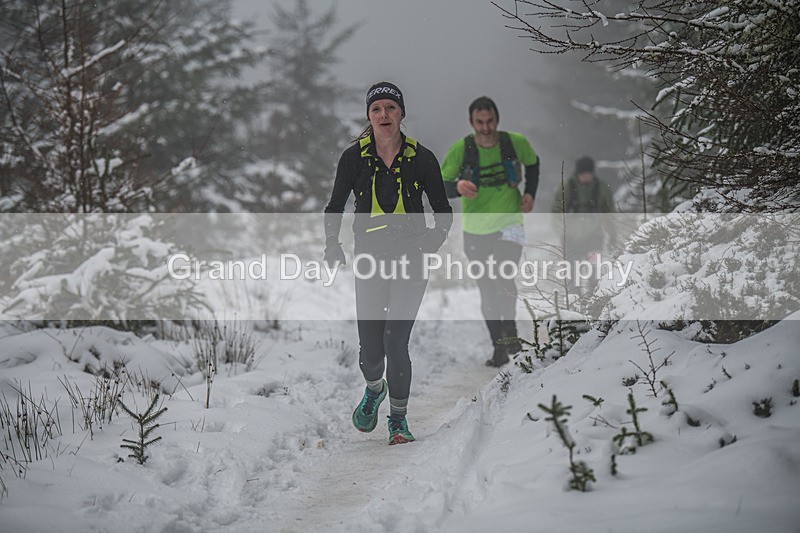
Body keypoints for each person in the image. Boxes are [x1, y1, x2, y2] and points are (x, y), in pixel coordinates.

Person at [324, 81, 453, 445]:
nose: (384, 115)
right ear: (369, 115)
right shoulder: (353, 158)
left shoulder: (422, 158)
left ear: (401, 114)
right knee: (370, 352)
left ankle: (398, 420)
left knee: (395, 342)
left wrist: (435, 238)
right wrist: (332, 244)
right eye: (377, 109)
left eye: (391, 108)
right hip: (370, 258)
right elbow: (335, 206)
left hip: (411, 258)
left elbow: (443, 210)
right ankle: (374, 388)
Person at [441, 96, 540, 367]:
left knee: (504, 278)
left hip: (511, 224)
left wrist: (530, 193)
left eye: (490, 121)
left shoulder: (514, 143)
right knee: (487, 289)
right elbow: (441, 186)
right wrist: (458, 187)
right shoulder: (461, 150)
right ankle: (499, 345)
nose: (486, 128)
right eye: (480, 122)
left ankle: (511, 334)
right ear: (471, 122)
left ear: (497, 119)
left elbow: (533, 164)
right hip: (475, 230)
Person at [551, 156, 617, 292]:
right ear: (578, 173)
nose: (586, 177)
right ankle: (574, 300)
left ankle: (594, 300)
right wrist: (563, 232)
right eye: (583, 174)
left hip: (594, 237)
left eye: (589, 174)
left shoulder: (602, 189)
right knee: (571, 274)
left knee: (594, 272)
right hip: (571, 238)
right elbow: (556, 213)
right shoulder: (566, 188)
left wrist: (612, 234)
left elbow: (609, 214)